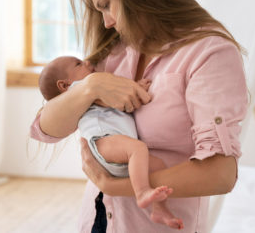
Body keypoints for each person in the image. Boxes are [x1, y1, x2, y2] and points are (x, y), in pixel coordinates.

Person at [30, 0, 249, 232]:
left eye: (106, 6)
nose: (107, 23)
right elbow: (44, 129)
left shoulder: (208, 52)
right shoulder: (113, 51)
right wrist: (90, 87)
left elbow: (219, 174)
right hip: (97, 219)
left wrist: (117, 186)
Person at [38, 56, 184, 230]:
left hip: (117, 147)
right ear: (64, 85)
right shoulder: (80, 88)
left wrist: (133, 87)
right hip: (103, 141)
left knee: (158, 165)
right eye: (79, 64)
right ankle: (142, 192)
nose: (88, 63)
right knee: (137, 148)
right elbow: (108, 99)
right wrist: (136, 88)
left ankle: (159, 208)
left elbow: (116, 98)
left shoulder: (88, 86)